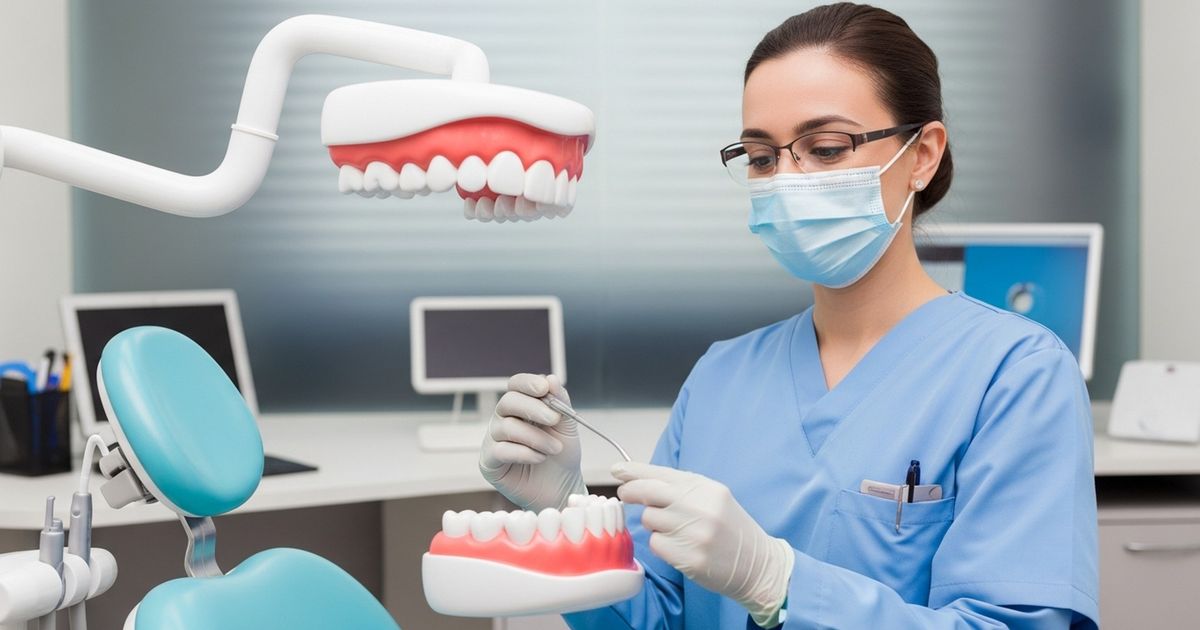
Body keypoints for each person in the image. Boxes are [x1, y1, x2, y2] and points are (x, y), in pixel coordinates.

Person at [478, 3, 1099, 628]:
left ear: (922, 155)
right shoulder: (723, 377)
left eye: (825, 148)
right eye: (761, 157)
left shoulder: (1016, 375)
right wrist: (565, 511)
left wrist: (777, 583)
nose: (787, 181)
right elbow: (655, 616)